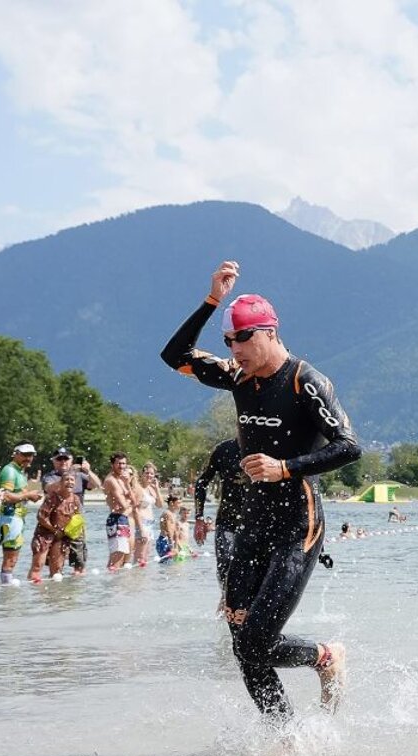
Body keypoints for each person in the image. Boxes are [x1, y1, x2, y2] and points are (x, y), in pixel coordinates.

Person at [160, 260, 361, 720]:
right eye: (229, 341)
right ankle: (284, 736)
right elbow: (174, 355)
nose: (234, 350)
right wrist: (212, 300)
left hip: (298, 525)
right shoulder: (237, 375)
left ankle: (325, 656)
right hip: (253, 521)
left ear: (269, 332)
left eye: (242, 339)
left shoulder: (306, 382)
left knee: (257, 641)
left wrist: (284, 467)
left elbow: (350, 448)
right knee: (242, 641)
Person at [193, 438, 247, 597]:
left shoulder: (265, 446)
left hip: (256, 520)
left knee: (255, 568)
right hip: (227, 519)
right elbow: (202, 482)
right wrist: (199, 517)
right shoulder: (223, 450)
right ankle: (226, 600)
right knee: (225, 562)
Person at [41, 448, 100, 574]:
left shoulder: (80, 475)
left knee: (79, 565)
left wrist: (88, 471)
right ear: (54, 461)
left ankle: (74, 589)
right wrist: (66, 478)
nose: (63, 462)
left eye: (66, 459)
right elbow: (49, 488)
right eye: (59, 459)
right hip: (56, 526)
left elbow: (96, 485)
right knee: (56, 565)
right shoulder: (49, 477)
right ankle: (56, 589)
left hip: (76, 525)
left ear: (71, 460)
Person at [0, 442, 44, 583]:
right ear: (15, 454)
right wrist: (28, 495)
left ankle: (7, 589)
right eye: (24, 455)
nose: (28, 458)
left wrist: (30, 495)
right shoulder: (10, 470)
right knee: (10, 558)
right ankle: (6, 591)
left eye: (31, 455)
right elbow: (5, 496)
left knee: (13, 557)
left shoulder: (19, 471)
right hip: (9, 518)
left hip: (16, 518)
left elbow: (18, 494)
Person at [28, 472, 85, 581]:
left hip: (61, 536)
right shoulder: (52, 497)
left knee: (57, 570)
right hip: (44, 535)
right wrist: (54, 530)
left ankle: (54, 595)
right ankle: (35, 593)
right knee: (37, 566)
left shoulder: (76, 499)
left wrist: (74, 534)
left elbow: (77, 519)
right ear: (60, 483)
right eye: (66, 480)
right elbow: (41, 517)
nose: (70, 482)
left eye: (72, 480)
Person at [102, 453, 139, 571]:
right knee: (117, 557)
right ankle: (113, 586)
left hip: (122, 519)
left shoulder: (122, 480)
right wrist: (130, 502)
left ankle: (117, 586)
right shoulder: (111, 480)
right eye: (119, 463)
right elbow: (125, 504)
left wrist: (127, 484)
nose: (122, 466)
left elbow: (134, 502)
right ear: (112, 464)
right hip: (116, 519)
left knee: (122, 556)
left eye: (124, 463)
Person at [133, 462, 164, 567]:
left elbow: (160, 505)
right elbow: (135, 509)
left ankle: (142, 581)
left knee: (146, 556)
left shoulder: (151, 488)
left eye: (152, 474)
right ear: (142, 474)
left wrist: (157, 488)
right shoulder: (138, 488)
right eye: (147, 473)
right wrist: (140, 528)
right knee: (140, 557)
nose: (149, 476)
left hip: (150, 524)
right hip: (142, 523)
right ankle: (135, 579)